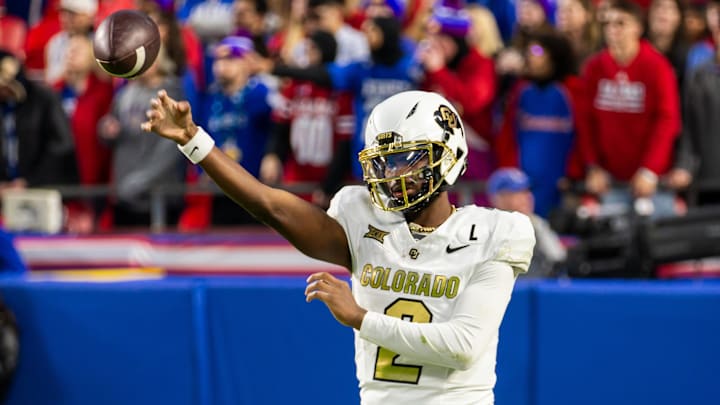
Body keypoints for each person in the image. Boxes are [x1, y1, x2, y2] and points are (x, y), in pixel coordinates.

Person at [142, 89, 535, 403]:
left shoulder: (492, 233)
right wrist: (194, 141)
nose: (391, 175)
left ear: (447, 156)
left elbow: (464, 346)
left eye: (405, 160)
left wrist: (361, 317)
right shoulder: (364, 218)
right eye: (383, 164)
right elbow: (270, 205)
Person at [487, 168, 566, 277]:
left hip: (542, 287)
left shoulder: (537, 223)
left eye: (527, 191)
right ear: (499, 198)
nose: (527, 197)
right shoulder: (487, 229)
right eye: (518, 192)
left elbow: (558, 259)